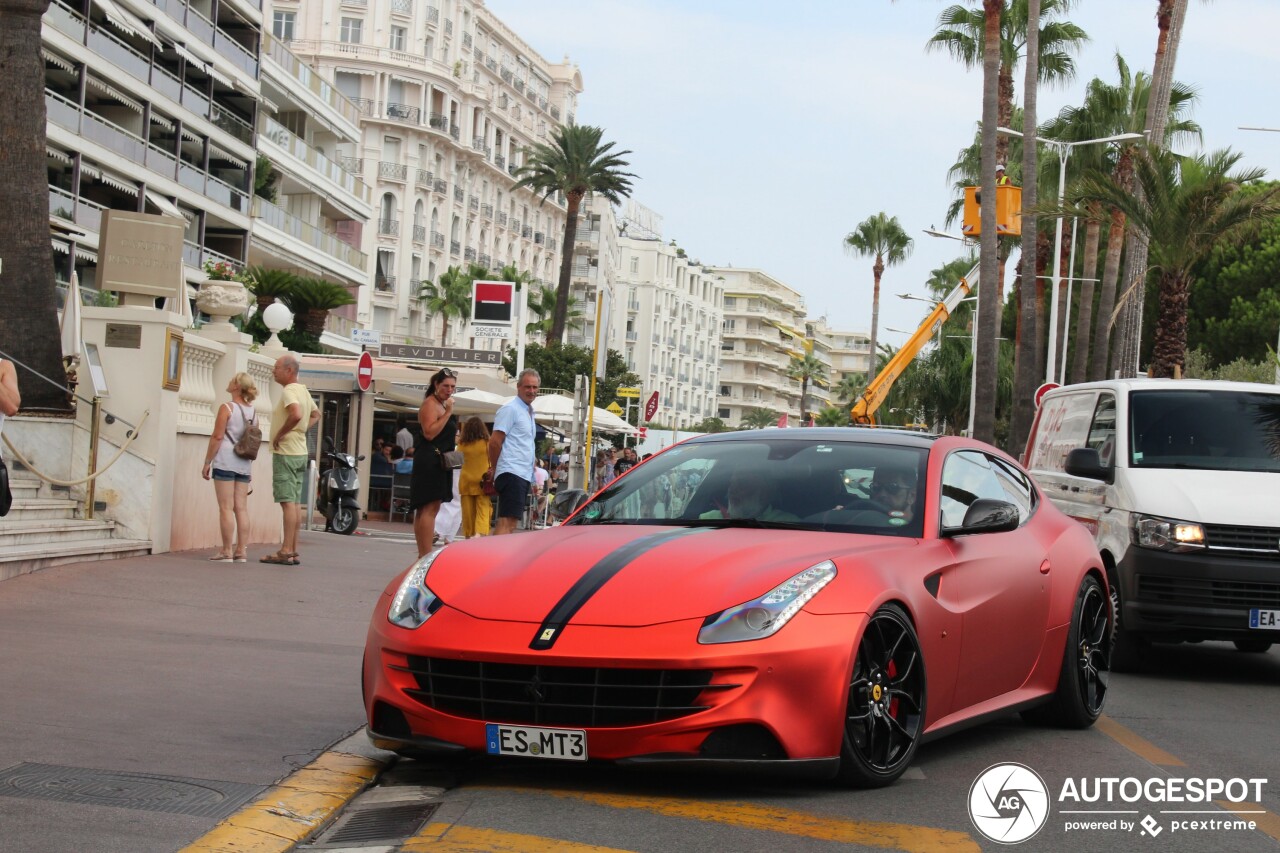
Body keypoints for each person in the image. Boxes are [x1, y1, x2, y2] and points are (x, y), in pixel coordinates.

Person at [262, 354, 319, 565]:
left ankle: (286, 549)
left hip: (286, 451)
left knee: (287, 503)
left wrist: (281, 434)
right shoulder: (303, 390)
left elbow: (295, 414)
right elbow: (315, 414)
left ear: (288, 371)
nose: (273, 371)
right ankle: (292, 549)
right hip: (300, 451)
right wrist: (300, 431)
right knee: (294, 503)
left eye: (276, 367)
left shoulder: (289, 391)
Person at [202, 372, 258, 562]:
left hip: (226, 459)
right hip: (244, 462)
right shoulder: (253, 411)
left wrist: (207, 462)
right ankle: (241, 550)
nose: (228, 382)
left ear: (236, 387)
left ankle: (226, 550)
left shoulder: (227, 408)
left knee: (225, 507)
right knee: (241, 508)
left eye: (231, 380)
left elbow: (217, 437)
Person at [409, 368, 458, 556]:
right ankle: (425, 552)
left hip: (437, 460)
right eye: (445, 385)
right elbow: (429, 433)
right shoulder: (431, 404)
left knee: (428, 508)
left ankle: (423, 553)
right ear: (436, 385)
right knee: (428, 507)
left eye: (453, 386)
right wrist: (448, 414)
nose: (449, 389)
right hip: (430, 459)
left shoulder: (441, 404)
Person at [488, 368, 539, 535]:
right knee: (506, 521)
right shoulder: (511, 409)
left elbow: (523, 444)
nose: (531, 391)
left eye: (534, 387)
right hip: (512, 471)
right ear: (518, 387)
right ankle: (495, 559)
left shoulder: (528, 411)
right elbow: (495, 442)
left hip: (521, 473)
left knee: (511, 522)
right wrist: (496, 469)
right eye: (527, 387)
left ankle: (498, 557)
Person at [699, 471, 799, 522]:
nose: (733, 490)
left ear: (764, 492)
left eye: (743, 484)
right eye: (731, 484)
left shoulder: (787, 522)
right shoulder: (708, 518)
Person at [457, 416, 492, 539]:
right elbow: (492, 459)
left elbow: (458, 460)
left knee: (467, 511)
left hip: (466, 480)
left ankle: (469, 533)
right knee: (483, 508)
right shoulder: (487, 442)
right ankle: (479, 533)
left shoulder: (462, 444)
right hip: (483, 480)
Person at [532, 459, 550, 527]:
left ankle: (534, 516)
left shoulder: (527, 471)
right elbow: (548, 484)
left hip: (526, 496)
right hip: (536, 496)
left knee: (534, 501)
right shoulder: (543, 471)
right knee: (545, 499)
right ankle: (536, 515)